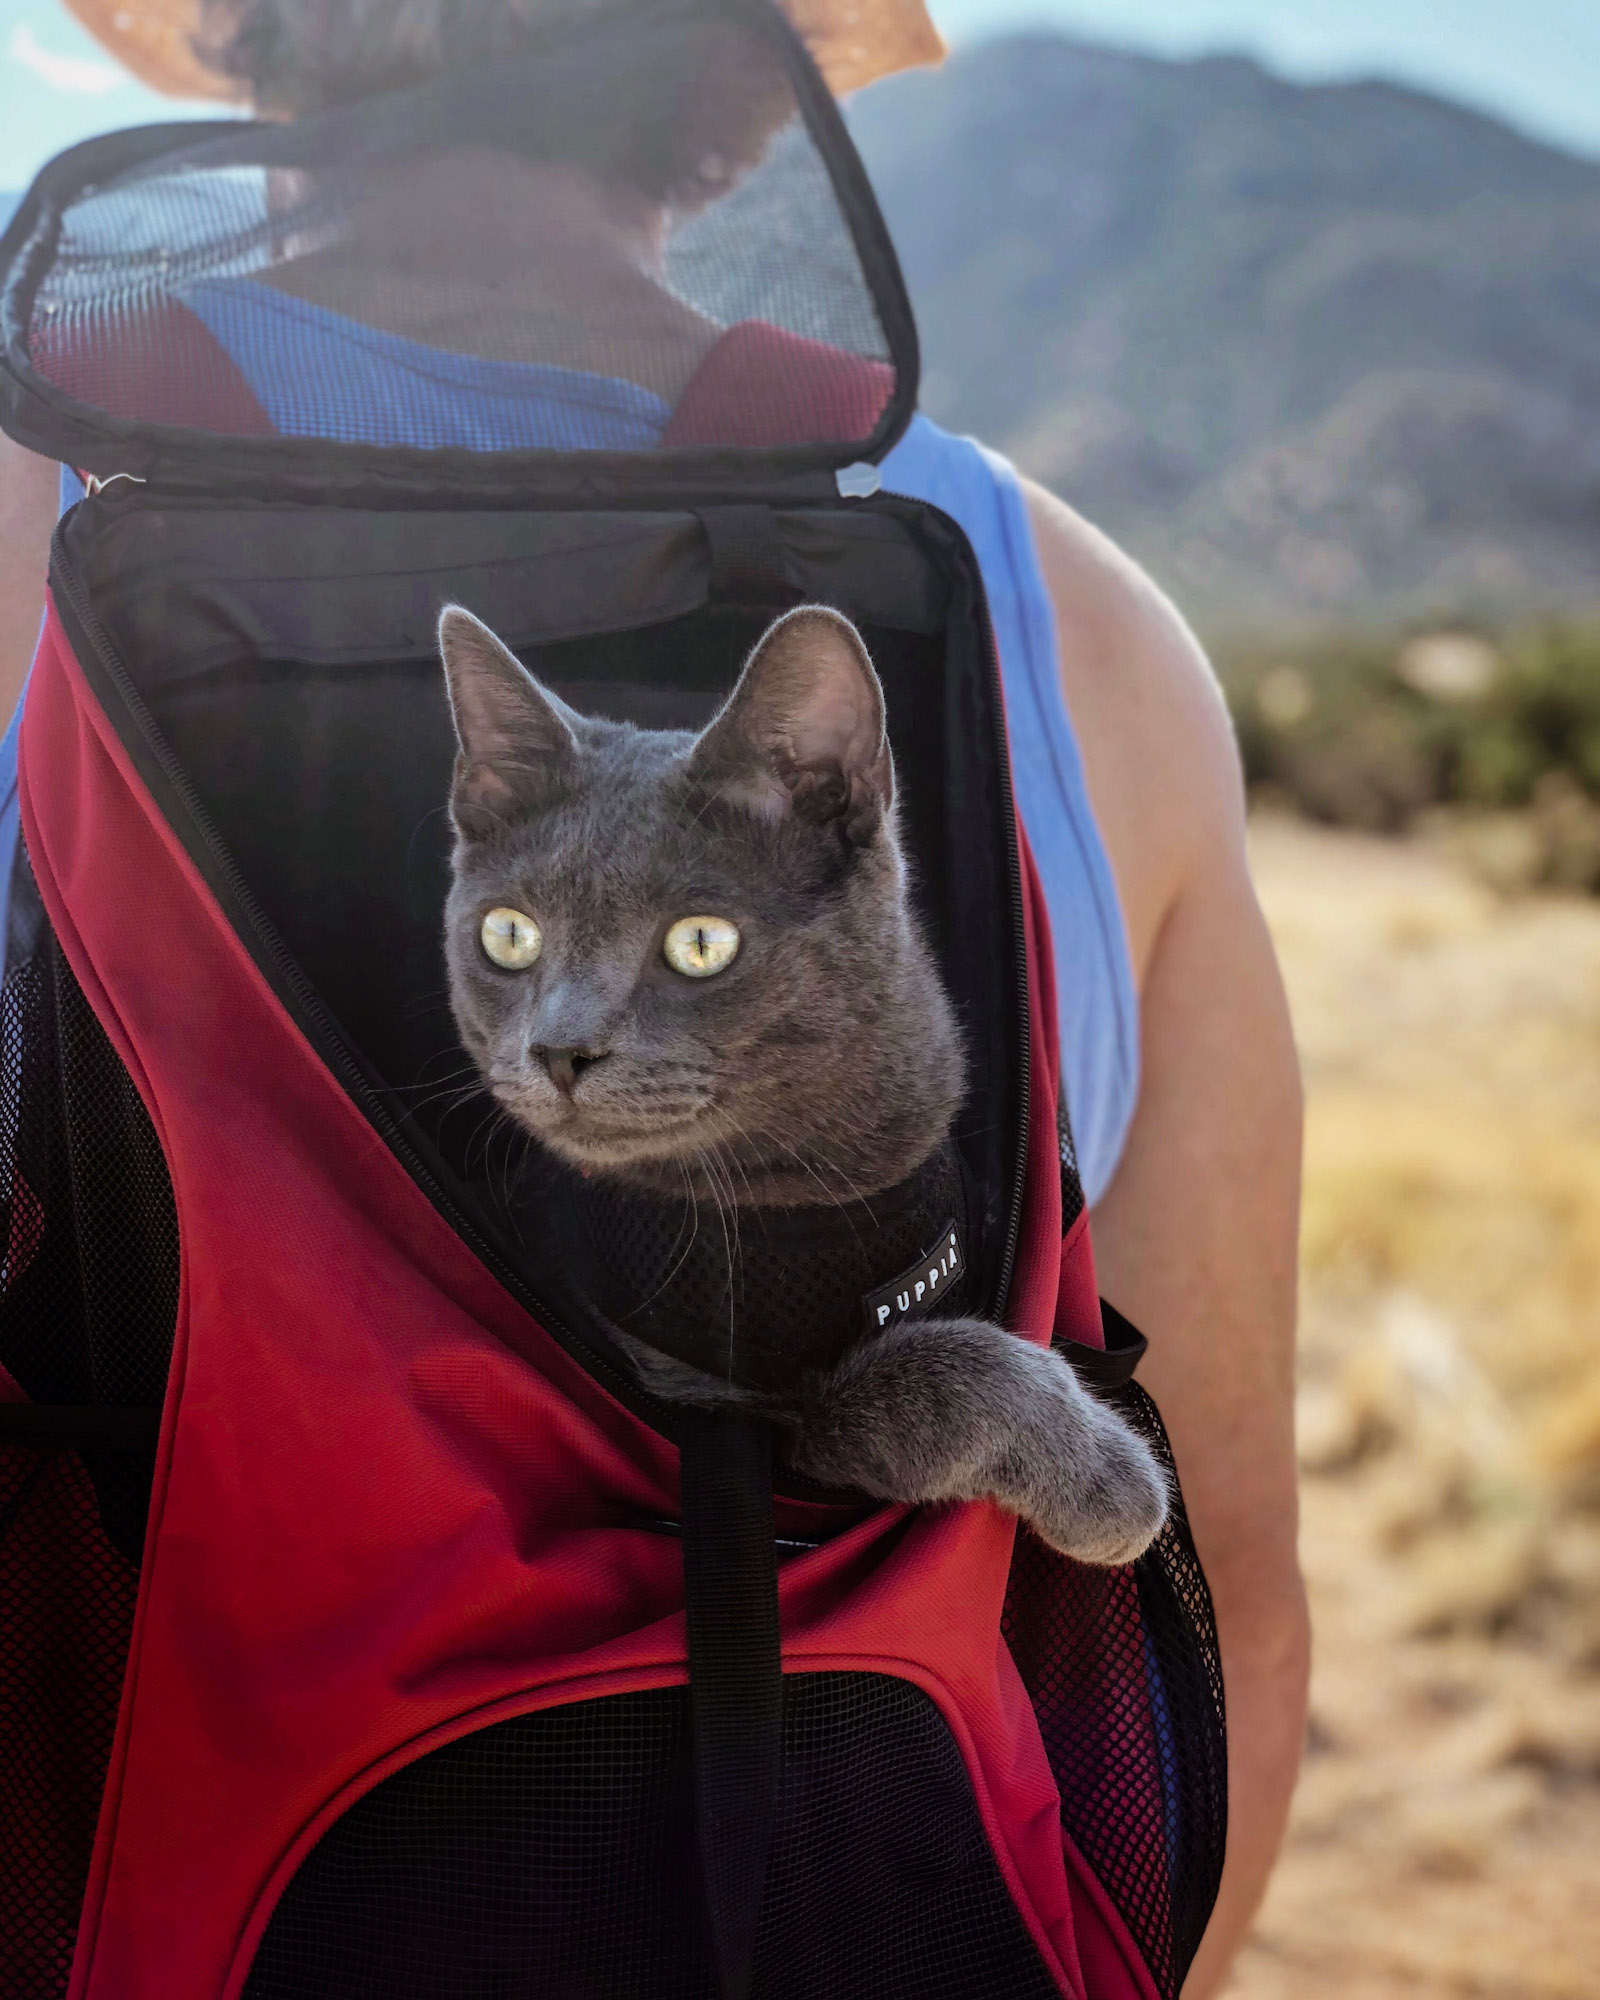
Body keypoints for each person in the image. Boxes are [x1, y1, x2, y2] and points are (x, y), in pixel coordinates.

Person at [0, 2, 1308, 1993]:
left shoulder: (34, 486)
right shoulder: (1068, 627)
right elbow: (1213, 1597)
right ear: (738, 104)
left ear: (248, 42)